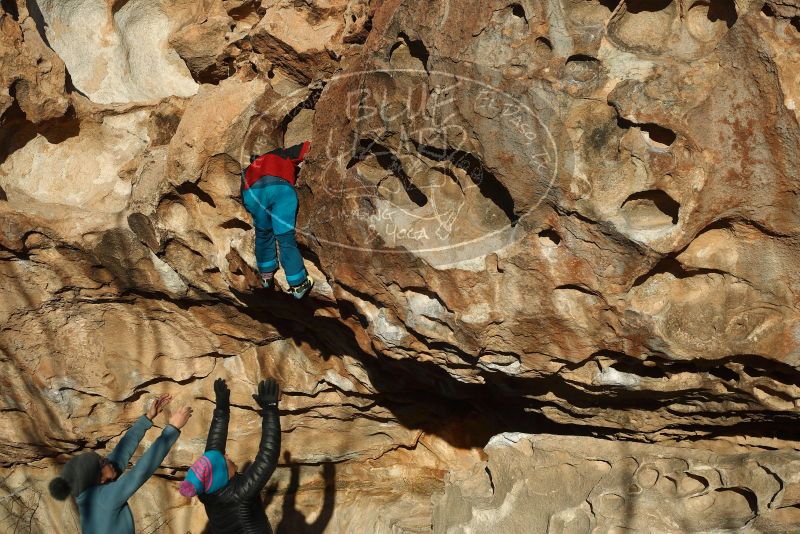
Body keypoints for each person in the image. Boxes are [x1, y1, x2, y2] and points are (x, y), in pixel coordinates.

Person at [48, 394, 193, 534]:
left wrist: (148, 417)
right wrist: (172, 429)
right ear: (100, 479)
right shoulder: (103, 499)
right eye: (103, 462)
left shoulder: (88, 496)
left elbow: (120, 453)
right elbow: (140, 472)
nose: (108, 459)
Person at [179, 378, 281, 534]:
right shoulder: (240, 494)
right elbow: (268, 456)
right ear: (223, 474)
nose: (226, 455)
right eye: (224, 459)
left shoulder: (206, 492)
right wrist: (270, 409)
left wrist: (222, 408)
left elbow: (214, 448)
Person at [242, 141, 314, 299]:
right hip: (279, 188)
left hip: (252, 194)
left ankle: (266, 275)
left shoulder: (248, 169)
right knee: (285, 237)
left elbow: (242, 191)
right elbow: (307, 147)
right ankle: (298, 284)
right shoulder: (280, 153)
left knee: (263, 232)